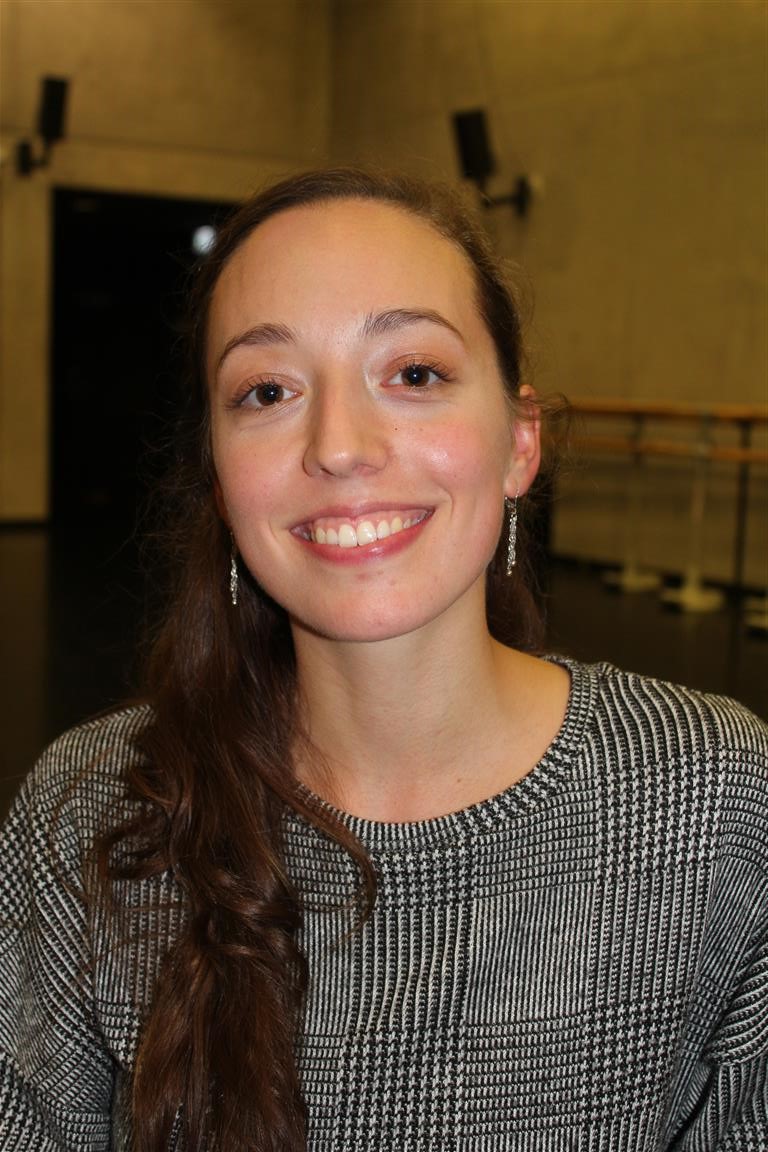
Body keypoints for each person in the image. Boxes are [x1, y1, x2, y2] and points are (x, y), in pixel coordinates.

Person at [0, 168, 766, 1152]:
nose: (339, 446)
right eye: (268, 390)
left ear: (519, 442)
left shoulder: (713, 801)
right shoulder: (92, 814)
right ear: (221, 477)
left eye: (413, 374)